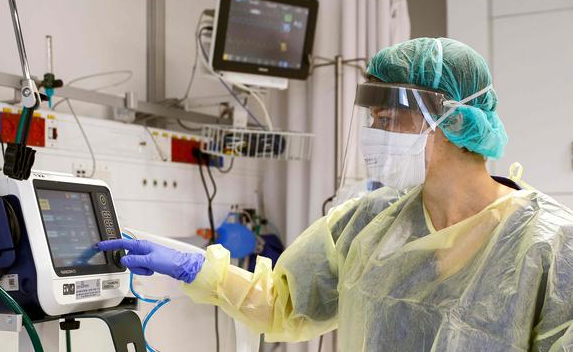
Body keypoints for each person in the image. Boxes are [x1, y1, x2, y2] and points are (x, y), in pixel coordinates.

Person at [98, 38, 573, 351]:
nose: (375, 132)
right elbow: (285, 304)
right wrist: (196, 267)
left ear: (453, 118)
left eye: (389, 119)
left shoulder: (548, 245)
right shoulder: (369, 222)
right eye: (372, 119)